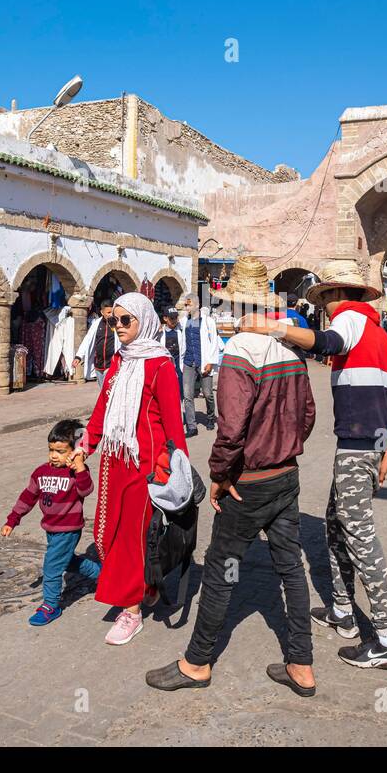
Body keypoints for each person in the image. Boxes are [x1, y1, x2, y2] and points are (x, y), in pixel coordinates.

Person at [146, 259, 317, 695]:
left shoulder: (240, 350)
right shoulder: (290, 350)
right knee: (291, 569)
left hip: (252, 481)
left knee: (222, 568)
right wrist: (285, 446)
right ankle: (301, 664)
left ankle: (197, 662)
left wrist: (221, 474)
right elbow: (309, 415)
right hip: (286, 476)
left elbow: (232, 427)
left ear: (236, 303)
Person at [240, 259, 387, 669]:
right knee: (336, 524)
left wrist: (270, 327)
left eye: (324, 298)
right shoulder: (379, 333)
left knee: (359, 535)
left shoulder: (352, 318)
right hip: (371, 443)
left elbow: (326, 343)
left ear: (334, 295)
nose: (324, 306)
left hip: (356, 444)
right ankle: (343, 611)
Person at [76, 292, 188, 645]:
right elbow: (101, 411)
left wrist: (177, 468)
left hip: (146, 465)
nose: (119, 327)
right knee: (107, 531)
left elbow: (174, 424)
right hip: (115, 461)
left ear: (145, 321)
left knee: (131, 536)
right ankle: (147, 585)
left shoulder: (161, 365)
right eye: (115, 320)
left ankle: (131, 610)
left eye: (127, 320)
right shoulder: (118, 362)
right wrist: (85, 446)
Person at [2, 418, 102, 626]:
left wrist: (80, 467)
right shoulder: (41, 472)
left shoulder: (77, 473)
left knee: (52, 567)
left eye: (61, 451)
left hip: (69, 529)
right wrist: (13, 519)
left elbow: (86, 490)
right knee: (67, 561)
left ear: (74, 451)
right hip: (51, 528)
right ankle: (102, 574)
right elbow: (27, 497)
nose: (54, 456)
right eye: (51, 450)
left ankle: (50, 605)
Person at [178, 295, 221, 437]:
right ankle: (192, 427)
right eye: (186, 305)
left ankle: (210, 417)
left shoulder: (208, 322)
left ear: (197, 305)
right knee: (188, 395)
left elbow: (214, 342)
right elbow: (181, 341)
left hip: (204, 361)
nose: (187, 307)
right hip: (189, 362)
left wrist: (210, 362)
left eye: (189, 304)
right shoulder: (184, 321)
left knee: (208, 393)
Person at [72, 300, 117, 386]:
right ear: (102, 312)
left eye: (112, 312)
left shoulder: (117, 324)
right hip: (98, 364)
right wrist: (78, 356)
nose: (111, 314)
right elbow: (87, 340)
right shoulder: (96, 324)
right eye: (108, 312)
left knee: (108, 389)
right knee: (102, 390)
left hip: (111, 364)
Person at [161, 306, 183, 387]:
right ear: (165, 318)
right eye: (171, 318)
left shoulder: (181, 330)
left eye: (176, 318)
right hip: (166, 365)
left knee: (180, 388)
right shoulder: (160, 333)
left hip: (178, 366)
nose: (174, 320)